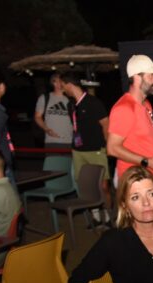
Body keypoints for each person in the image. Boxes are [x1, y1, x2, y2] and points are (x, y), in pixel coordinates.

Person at [107, 54, 153, 182]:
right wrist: (148, 162)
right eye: (151, 75)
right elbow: (112, 148)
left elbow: (146, 144)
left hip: (151, 179)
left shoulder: (146, 104)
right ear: (136, 78)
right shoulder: (124, 108)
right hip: (134, 181)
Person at [60, 72, 112, 218]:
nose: (63, 90)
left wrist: (108, 147)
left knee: (103, 186)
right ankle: (95, 216)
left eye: (63, 86)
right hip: (78, 151)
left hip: (96, 150)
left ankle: (108, 216)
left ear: (70, 85)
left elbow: (106, 125)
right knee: (86, 186)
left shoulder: (93, 102)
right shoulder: (70, 105)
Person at [34, 73, 72, 149]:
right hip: (52, 141)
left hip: (70, 141)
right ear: (54, 83)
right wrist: (46, 129)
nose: (63, 83)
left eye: (63, 81)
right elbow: (37, 117)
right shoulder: (45, 98)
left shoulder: (71, 99)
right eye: (60, 81)